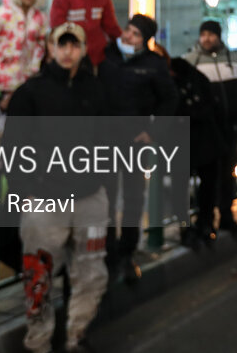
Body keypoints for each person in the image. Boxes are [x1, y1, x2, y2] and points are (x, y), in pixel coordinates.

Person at [3, 23, 111, 353]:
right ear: (50, 48)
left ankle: (77, 335)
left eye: (73, 45)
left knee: (92, 273)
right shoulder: (30, 92)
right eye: (61, 45)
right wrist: (24, 192)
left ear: (82, 48)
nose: (67, 51)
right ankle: (38, 342)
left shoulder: (96, 89)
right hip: (43, 199)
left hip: (90, 197)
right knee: (39, 278)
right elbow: (13, 146)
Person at [98, 14, 178, 282]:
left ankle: (126, 252)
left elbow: (169, 100)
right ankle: (106, 252)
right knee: (104, 199)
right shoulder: (106, 56)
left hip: (134, 142)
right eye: (127, 30)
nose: (127, 36)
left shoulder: (153, 65)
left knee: (133, 198)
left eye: (134, 34)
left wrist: (152, 132)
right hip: (105, 140)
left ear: (144, 41)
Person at [183, 20, 237, 235]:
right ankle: (205, 219)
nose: (206, 38)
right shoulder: (191, 62)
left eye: (211, 34)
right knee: (208, 176)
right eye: (203, 34)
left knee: (228, 174)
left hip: (230, 127)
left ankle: (226, 216)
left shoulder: (235, 60)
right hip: (205, 131)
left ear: (219, 36)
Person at [166, 55, 227, 247]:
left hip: (192, 141)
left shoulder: (176, 83)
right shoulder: (196, 79)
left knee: (183, 188)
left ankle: (193, 226)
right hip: (203, 141)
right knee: (205, 186)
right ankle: (204, 223)